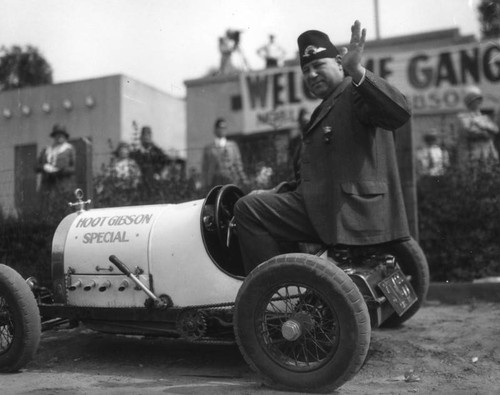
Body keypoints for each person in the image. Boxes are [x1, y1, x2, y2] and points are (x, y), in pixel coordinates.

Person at [233, 21, 412, 274]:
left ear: (340, 63)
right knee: (258, 203)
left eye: (318, 65)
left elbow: (399, 112)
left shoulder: (355, 92)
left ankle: (272, 291)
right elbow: (319, 173)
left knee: (246, 210)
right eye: (306, 70)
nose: (311, 75)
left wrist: (358, 71)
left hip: (347, 213)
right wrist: (275, 191)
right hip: (337, 208)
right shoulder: (329, 106)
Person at [201, 117, 249, 191]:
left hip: (232, 181)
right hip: (215, 183)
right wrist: (205, 184)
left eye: (224, 127)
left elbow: (238, 164)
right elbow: (205, 168)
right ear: (215, 129)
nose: (222, 130)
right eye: (220, 127)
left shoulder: (232, 146)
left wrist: (244, 179)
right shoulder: (209, 149)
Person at [456, 86, 499, 163]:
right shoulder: (462, 117)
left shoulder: (485, 118)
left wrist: (482, 126)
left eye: (480, 100)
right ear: (469, 102)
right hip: (471, 156)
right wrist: (486, 129)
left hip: (488, 155)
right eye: (476, 100)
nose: (479, 102)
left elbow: (495, 130)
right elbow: (470, 132)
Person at [36, 123, 76, 198]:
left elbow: (73, 168)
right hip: (47, 186)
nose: (59, 137)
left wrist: (59, 171)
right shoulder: (46, 150)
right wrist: (44, 167)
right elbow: (37, 167)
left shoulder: (69, 149)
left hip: (64, 186)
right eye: (57, 134)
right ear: (54, 136)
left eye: (61, 135)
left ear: (65, 136)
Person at [130, 126, 170, 190]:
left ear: (151, 137)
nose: (146, 137)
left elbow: (166, 163)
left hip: (155, 183)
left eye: (148, 135)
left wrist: (160, 174)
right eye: (144, 135)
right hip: (140, 183)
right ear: (141, 138)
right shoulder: (135, 154)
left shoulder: (158, 152)